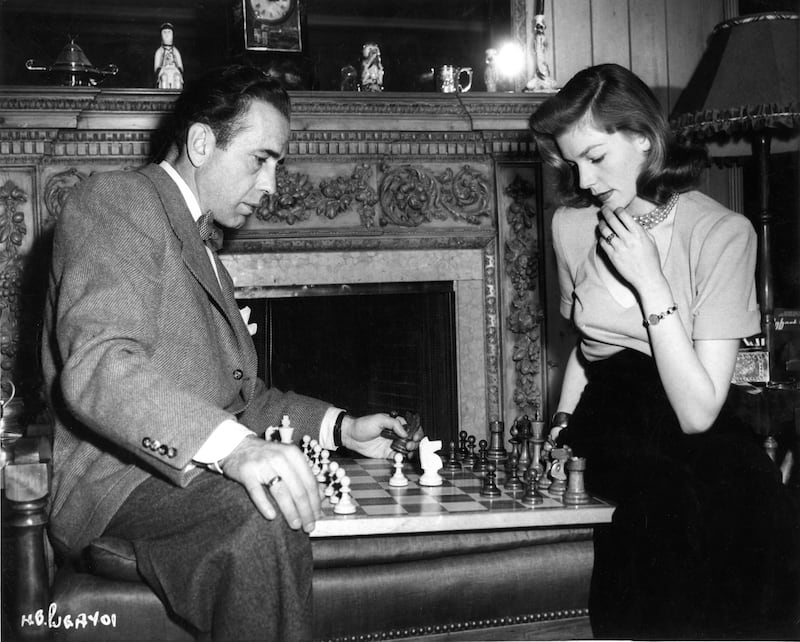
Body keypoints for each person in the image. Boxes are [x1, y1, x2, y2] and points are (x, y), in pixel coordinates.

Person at [41, 64, 422, 641]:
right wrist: (236, 451)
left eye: (279, 165)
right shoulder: (117, 201)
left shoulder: (210, 258)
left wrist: (341, 427)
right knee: (261, 515)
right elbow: (99, 368)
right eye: (259, 159)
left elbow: (245, 403)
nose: (272, 186)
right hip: (115, 483)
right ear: (200, 143)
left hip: (184, 475)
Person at [529, 63, 799, 639]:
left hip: (691, 404)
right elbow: (586, 347)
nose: (582, 179)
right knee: (662, 500)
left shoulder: (724, 233)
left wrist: (651, 281)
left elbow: (699, 411)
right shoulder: (571, 226)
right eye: (571, 162)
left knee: (751, 495)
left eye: (596, 158)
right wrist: (560, 423)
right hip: (610, 415)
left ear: (645, 141)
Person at [154, 22, 184, 89]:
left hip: (174, 71)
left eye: (169, 32)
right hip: (164, 71)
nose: (167, 35)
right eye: (164, 32)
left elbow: (180, 67)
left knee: (177, 78)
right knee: (164, 78)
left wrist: (175, 65)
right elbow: (156, 68)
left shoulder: (175, 51)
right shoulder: (159, 51)